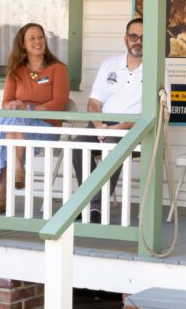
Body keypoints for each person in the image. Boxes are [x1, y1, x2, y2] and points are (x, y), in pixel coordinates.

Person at [72, 18, 169, 222]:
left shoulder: (158, 68)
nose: (138, 41)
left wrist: (116, 128)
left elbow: (156, 112)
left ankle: (93, 205)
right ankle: (94, 204)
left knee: (114, 145)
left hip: (136, 128)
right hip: (103, 123)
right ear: (125, 39)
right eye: (134, 36)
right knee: (78, 145)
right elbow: (94, 103)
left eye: (143, 37)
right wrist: (100, 127)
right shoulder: (110, 65)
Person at [0, 23, 70, 214]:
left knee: (10, 125)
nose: (38, 41)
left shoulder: (57, 69)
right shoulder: (16, 70)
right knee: (13, 119)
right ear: (22, 44)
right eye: (32, 38)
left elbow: (60, 103)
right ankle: (18, 168)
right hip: (20, 126)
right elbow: (5, 102)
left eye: (40, 37)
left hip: (46, 125)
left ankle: (1, 194)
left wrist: (31, 108)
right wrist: (12, 105)